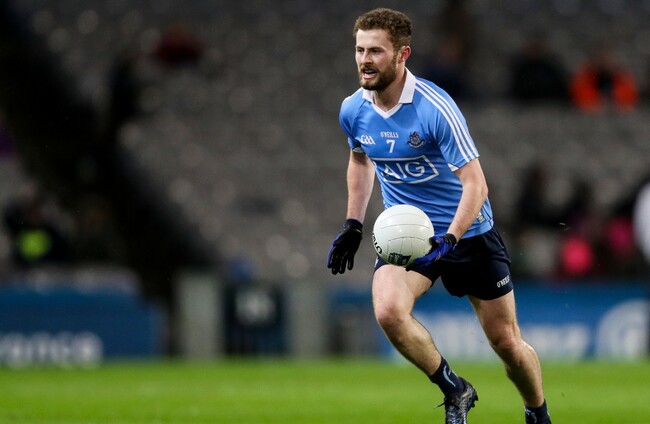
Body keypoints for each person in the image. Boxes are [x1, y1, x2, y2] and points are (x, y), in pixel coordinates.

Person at [326, 9, 551, 424]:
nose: (364, 60)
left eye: (375, 51)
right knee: (388, 311)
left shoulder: (435, 108)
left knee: (506, 343)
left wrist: (450, 238)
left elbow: (476, 185)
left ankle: (538, 414)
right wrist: (353, 224)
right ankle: (455, 389)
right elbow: (360, 160)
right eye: (359, 50)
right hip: (407, 235)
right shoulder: (353, 109)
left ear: (402, 54)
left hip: (469, 234)